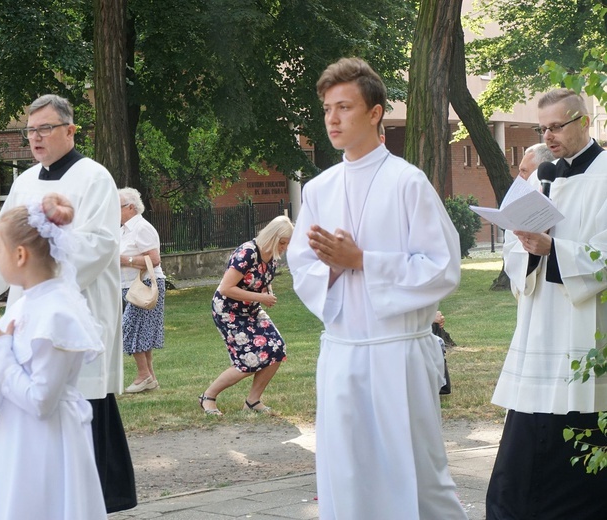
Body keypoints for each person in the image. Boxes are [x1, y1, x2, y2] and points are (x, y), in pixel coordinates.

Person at [287, 57, 467, 519]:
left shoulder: (408, 182)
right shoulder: (319, 189)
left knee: (418, 476)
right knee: (346, 474)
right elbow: (302, 267)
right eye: (327, 108)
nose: (332, 118)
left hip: (398, 354)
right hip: (342, 351)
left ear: (375, 113)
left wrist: (362, 261)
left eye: (344, 107)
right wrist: (333, 267)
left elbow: (442, 267)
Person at [0, 94, 136, 513]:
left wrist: (45, 271)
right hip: (28, 303)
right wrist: (0, 246)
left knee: (77, 392)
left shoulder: (94, 177)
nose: (35, 137)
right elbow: (14, 237)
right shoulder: (25, 180)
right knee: (25, 389)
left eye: (44, 128)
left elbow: (101, 244)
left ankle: (89, 498)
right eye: (30, 130)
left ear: (70, 129)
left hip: (76, 303)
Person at [487, 88, 607, 520]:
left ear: (584, 123)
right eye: (543, 128)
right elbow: (514, 250)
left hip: (584, 325)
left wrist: (554, 248)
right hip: (541, 324)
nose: (549, 136)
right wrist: (531, 248)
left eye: (557, 126)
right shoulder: (541, 176)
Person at [0, 194, 107, 519]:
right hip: (15, 435)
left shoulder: (56, 314)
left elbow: (41, 401)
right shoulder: (28, 303)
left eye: (0, 249)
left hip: (46, 444)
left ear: (21, 254)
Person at [199, 215, 294, 416]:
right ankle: (208, 397)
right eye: (283, 242)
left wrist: (266, 293)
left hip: (250, 309)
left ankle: (252, 402)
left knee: (277, 348)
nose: (285, 247)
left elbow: (262, 281)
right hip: (228, 311)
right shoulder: (246, 253)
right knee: (250, 359)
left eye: (287, 243)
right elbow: (226, 288)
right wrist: (261, 298)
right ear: (272, 237)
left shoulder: (272, 257)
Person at [118, 187, 166, 393]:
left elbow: (153, 260)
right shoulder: (123, 229)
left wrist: (122, 260)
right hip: (129, 286)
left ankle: (143, 375)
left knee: (129, 327)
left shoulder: (141, 227)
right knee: (141, 331)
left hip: (144, 286)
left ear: (130, 207)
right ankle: (150, 377)